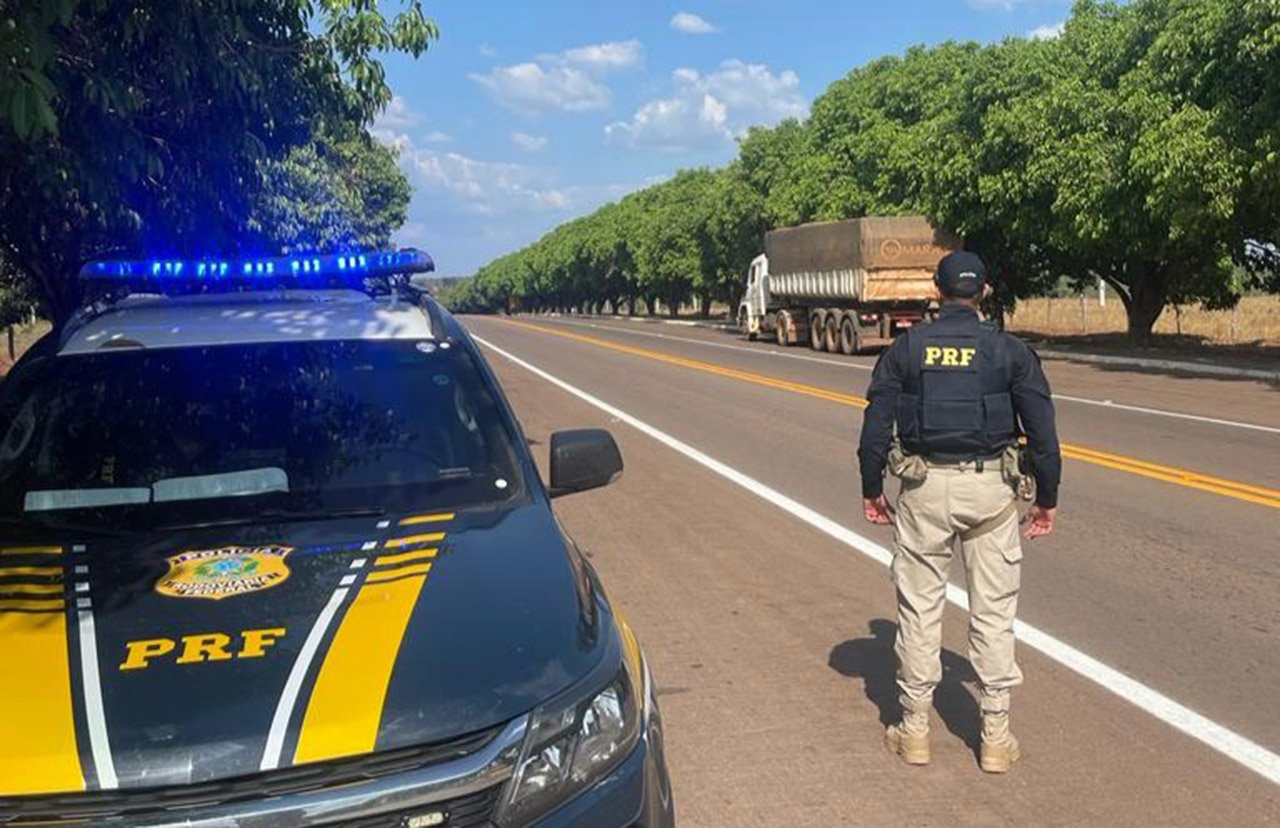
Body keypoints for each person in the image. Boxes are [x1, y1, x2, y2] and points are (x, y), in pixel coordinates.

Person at [856, 250, 1061, 774]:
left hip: (924, 491)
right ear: (985, 292)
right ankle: (995, 738)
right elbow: (1043, 434)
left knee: (920, 611)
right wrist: (1047, 500)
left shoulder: (906, 349)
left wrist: (872, 487)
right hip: (991, 491)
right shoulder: (1010, 352)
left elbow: (876, 425)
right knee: (994, 615)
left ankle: (915, 731)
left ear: (935, 290)